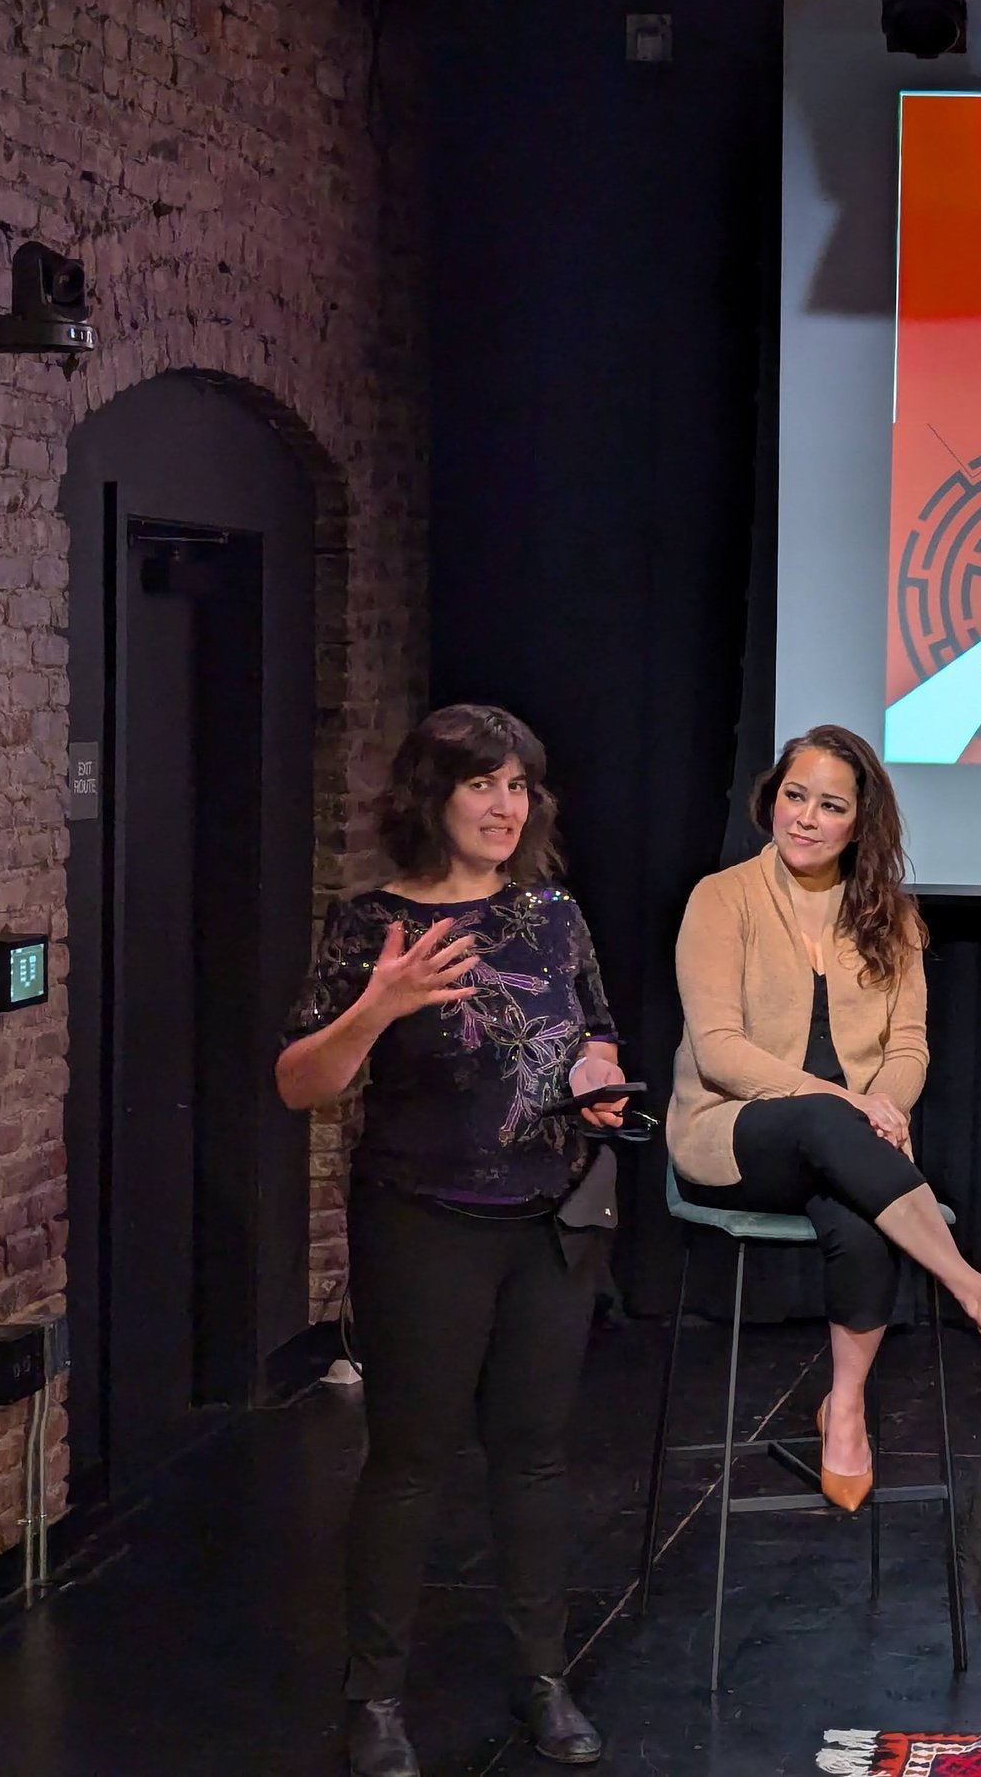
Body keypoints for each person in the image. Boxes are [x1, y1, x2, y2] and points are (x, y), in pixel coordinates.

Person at [278, 705, 626, 1777]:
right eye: (483, 783)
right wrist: (375, 1007)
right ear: (432, 795)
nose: (504, 805)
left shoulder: (553, 915)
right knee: (411, 1461)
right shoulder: (369, 924)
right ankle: (375, 1695)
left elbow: (596, 1028)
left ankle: (540, 1675)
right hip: (422, 1219)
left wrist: (601, 1082)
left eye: (519, 785)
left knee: (533, 1456)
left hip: (553, 1219)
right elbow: (301, 1082)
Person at [668, 725, 981, 1512]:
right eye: (794, 796)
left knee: (861, 1217)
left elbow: (908, 1047)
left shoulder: (892, 919)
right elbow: (719, 1052)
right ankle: (973, 1290)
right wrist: (850, 1103)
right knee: (818, 1119)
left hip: (851, 1148)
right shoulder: (722, 898)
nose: (804, 817)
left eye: (828, 805)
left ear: (858, 823)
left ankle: (844, 1408)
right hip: (734, 1132)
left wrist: (888, 1107)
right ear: (772, 798)